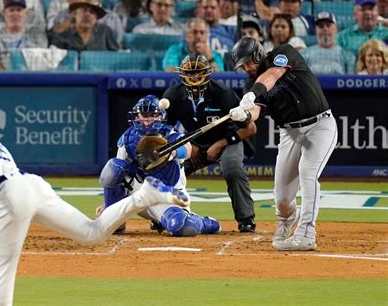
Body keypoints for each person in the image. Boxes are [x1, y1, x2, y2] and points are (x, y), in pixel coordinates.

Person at [0, 100, 189, 306]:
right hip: (32, 185)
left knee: (4, 271)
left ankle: (144, 196)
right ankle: (143, 196)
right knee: (92, 233)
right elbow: (6, 183)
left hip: (10, 195)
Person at [230, 37, 337, 250]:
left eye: (248, 62)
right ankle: (287, 220)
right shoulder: (250, 84)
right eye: (242, 66)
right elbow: (255, 112)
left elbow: (273, 75)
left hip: (320, 125)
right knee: (282, 197)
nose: (247, 68)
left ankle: (307, 233)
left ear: (258, 55)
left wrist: (252, 93)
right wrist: (243, 116)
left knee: (308, 173)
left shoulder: (283, 52)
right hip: (289, 133)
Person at [96, 94, 221, 236]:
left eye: (153, 115)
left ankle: (202, 222)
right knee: (114, 168)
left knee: (182, 227)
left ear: (160, 117)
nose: (148, 119)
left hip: (166, 196)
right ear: (137, 117)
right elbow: (117, 177)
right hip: (138, 195)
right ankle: (115, 220)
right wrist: (109, 204)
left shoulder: (172, 136)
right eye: (144, 115)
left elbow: (187, 149)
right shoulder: (127, 139)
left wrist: (171, 153)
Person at [163, 53, 258, 233]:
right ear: (182, 74)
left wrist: (220, 144)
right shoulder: (173, 96)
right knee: (169, 169)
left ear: (207, 73)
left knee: (232, 168)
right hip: (195, 143)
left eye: (198, 72)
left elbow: (250, 128)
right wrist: (188, 147)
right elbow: (167, 131)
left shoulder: (223, 94)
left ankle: (246, 219)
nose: (194, 77)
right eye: (190, 73)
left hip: (228, 140)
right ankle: (163, 215)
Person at [0, 0, 48, 71]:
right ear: (4, 14)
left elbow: (41, 60)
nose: (15, 14)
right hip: (4, 78)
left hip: (32, 77)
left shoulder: (36, 32)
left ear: (26, 14)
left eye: (19, 10)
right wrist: (7, 77)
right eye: (11, 10)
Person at [50, 0, 120, 51]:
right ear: (75, 14)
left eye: (92, 12)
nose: (87, 14)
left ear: (96, 18)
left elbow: (116, 57)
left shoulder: (105, 32)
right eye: (84, 10)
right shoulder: (62, 35)